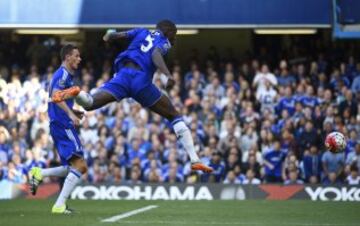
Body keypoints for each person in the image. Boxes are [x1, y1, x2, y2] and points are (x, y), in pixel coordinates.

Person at [52, 20, 213, 173]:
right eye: (174, 35)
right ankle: (194, 159)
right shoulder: (163, 41)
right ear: (168, 31)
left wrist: (109, 36)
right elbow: (155, 54)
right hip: (141, 81)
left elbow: (116, 36)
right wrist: (167, 74)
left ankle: (77, 92)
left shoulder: (141, 31)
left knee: (90, 103)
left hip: (122, 76)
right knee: (174, 115)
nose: (174, 39)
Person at [29, 44, 86, 214]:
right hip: (63, 125)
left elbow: (55, 99)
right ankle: (59, 205)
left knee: (72, 167)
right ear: (68, 57)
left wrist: (73, 110)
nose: (79, 59)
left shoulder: (64, 75)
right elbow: (55, 95)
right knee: (80, 166)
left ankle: (39, 173)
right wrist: (70, 114)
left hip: (59, 123)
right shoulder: (62, 75)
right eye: (76, 55)